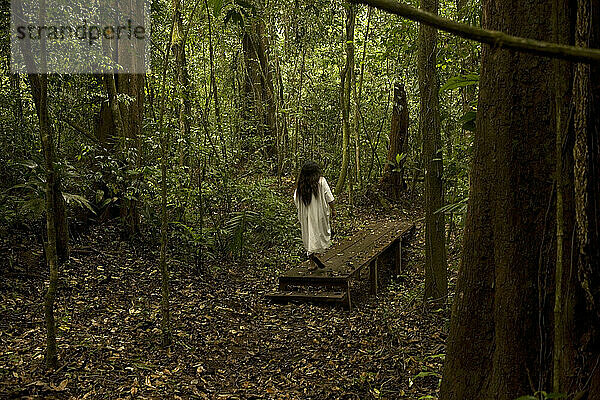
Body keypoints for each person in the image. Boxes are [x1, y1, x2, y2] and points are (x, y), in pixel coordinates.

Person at [293, 162, 336, 270]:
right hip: (319, 214)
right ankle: (318, 255)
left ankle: (312, 263)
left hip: (306, 215)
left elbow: (296, 198)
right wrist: (333, 210)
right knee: (319, 234)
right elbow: (329, 197)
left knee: (309, 235)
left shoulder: (301, 184)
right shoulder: (321, 181)